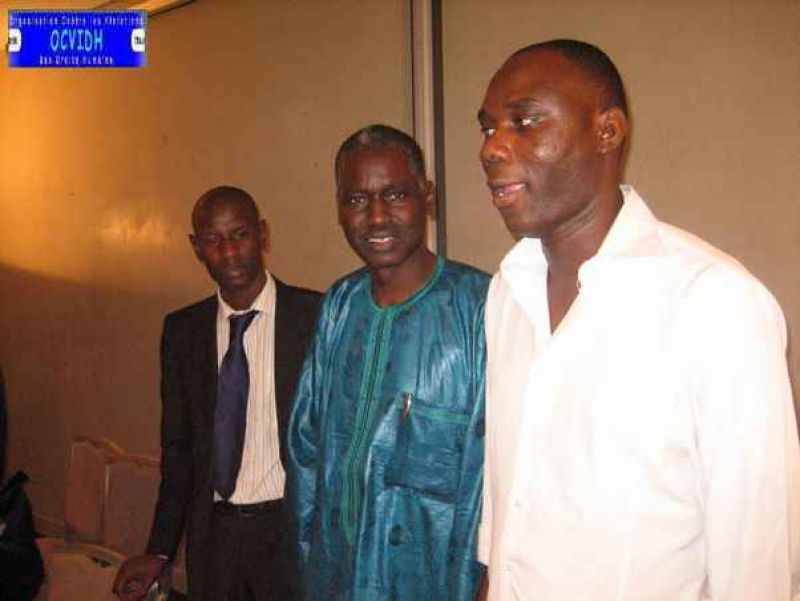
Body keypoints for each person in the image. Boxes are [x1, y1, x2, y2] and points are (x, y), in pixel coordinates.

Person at [475, 38, 800, 601]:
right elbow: (509, 507)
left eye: (524, 122)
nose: (492, 148)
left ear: (607, 131)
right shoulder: (509, 290)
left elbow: (757, 567)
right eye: (488, 128)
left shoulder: (715, 305)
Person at [287, 124, 488, 601]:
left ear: (427, 197)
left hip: (434, 582)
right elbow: (306, 446)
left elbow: (494, 477)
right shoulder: (340, 304)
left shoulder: (479, 308)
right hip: (336, 574)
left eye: (395, 195)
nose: (377, 217)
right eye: (357, 200)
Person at [113, 186, 321, 601]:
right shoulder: (182, 332)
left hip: (292, 535)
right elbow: (179, 452)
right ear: (197, 247)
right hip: (214, 541)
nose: (229, 252)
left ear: (262, 234)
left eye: (240, 234)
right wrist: (159, 550)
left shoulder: (315, 317)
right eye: (213, 240)